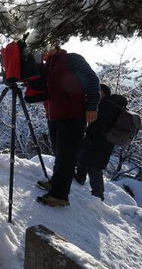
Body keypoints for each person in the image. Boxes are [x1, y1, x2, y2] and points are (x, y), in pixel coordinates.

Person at [35, 47, 100, 207]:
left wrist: (92, 106)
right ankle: (56, 183)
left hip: (73, 115)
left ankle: (60, 196)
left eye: (46, 46)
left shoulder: (72, 59)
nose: (43, 51)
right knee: (59, 153)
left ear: (55, 46)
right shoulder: (47, 65)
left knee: (67, 156)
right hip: (54, 116)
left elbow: (92, 80)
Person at [74, 84, 128, 200]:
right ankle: (80, 178)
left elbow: (100, 123)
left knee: (94, 167)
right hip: (105, 141)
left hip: (99, 139)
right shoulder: (114, 105)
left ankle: (98, 195)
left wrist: (89, 130)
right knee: (85, 159)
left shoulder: (107, 104)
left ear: (102, 92)